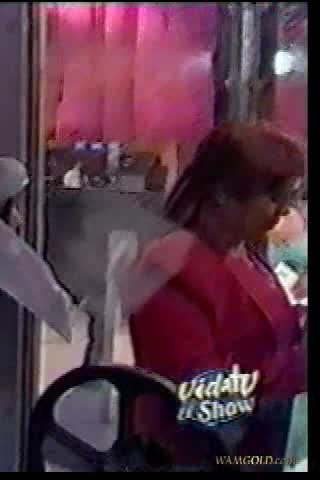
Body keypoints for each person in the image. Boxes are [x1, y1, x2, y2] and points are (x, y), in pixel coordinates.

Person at [127, 123, 307, 462]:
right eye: (274, 197)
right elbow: (206, 403)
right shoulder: (173, 269)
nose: (283, 211)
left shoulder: (241, 252)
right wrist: (291, 371)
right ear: (223, 193)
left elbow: (262, 333)